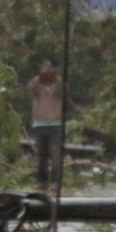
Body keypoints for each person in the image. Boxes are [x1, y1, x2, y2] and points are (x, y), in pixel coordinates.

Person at [26, 59, 65, 187]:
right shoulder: (37, 84)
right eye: (44, 68)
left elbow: (64, 88)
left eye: (49, 68)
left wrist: (54, 76)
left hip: (55, 124)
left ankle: (55, 183)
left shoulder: (58, 84)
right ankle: (42, 182)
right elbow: (29, 88)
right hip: (39, 124)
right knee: (42, 156)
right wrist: (39, 77)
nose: (46, 71)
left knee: (55, 154)